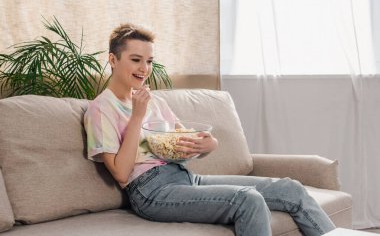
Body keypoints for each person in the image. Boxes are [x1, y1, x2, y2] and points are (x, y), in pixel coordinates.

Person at [83, 23, 336, 236]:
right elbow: (122, 174)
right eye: (136, 60)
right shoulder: (101, 109)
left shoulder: (155, 101)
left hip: (184, 177)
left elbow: (183, 140)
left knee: (290, 189)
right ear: (113, 60)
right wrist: (136, 117)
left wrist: (207, 145)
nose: (144, 69)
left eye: (149, 61)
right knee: (248, 199)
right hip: (150, 191)